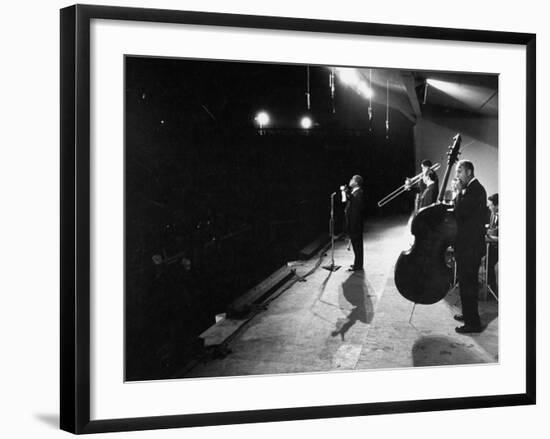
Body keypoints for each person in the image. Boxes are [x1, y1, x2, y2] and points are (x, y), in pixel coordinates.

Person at [453, 160, 487, 333]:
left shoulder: (476, 190)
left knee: (468, 285)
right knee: (466, 283)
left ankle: (473, 324)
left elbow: (460, 213)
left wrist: (458, 193)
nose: (457, 175)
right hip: (468, 246)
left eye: (459, 171)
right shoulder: (472, 189)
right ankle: (468, 315)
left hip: (470, 248)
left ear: (469, 172)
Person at [344, 174, 365, 272]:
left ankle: (358, 265)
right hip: (353, 223)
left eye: (352, 179)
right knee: (356, 245)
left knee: (357, 245)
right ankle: (357, 264)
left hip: (355, 224)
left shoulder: (358, 193)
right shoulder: (354, 193)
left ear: (356, 182)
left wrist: (348, 194)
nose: (350, 180)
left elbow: (356, 206)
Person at [486, 193, 499, 294]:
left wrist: (490, 234)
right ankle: (489, 287)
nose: (489, 207)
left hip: (497, 246)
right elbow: (491, 229)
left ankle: (492, 289)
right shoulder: (492, 214)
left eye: (490, 205)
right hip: (491, 244)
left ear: (497, 205)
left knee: (489, 263)